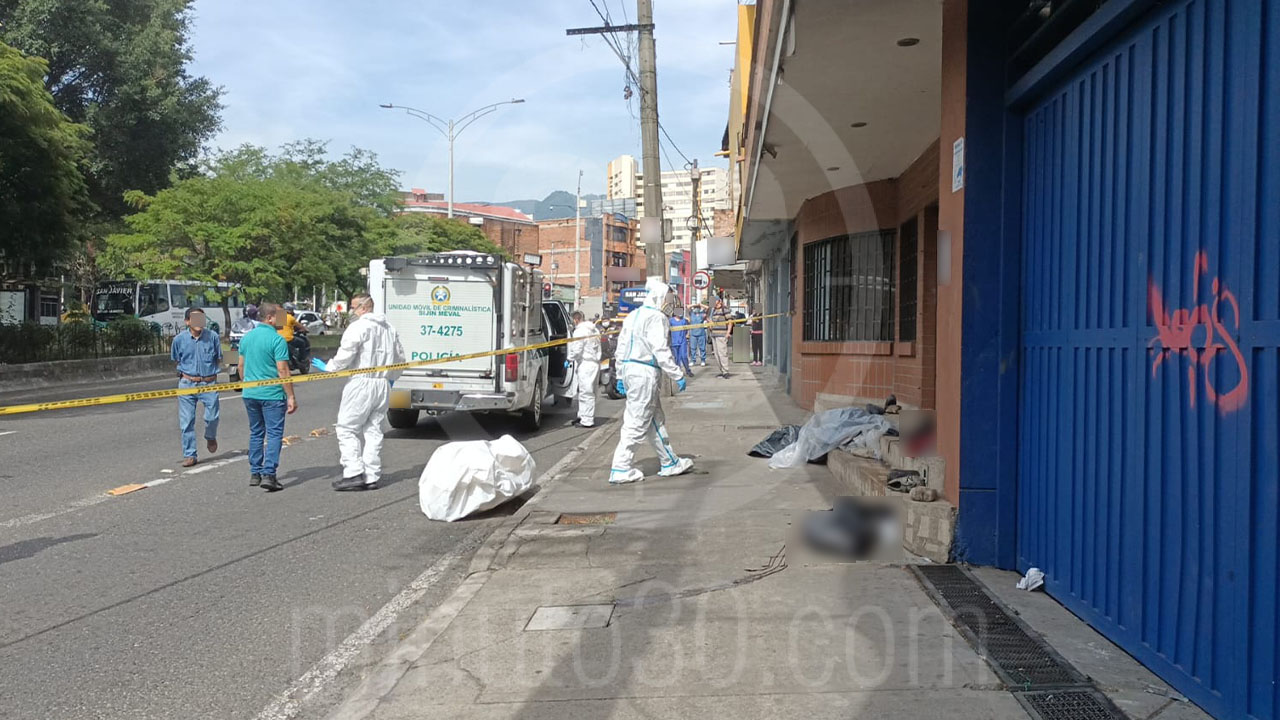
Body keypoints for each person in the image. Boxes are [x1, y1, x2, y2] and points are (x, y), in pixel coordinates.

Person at [608, 278, 694, 484]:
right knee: (637, 422)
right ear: (658, 297)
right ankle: (621, 467)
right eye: (667, 298)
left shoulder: (632, 316)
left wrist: (620, 375)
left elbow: (620, 349)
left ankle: (669, 461)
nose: (669, 302)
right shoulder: (657, 318)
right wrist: (676, 374)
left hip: (630, 370)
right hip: (644, 373)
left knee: (654, 419)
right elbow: (660, 349)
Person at [326, 293, 405, 491]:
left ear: (363, 307)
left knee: (347, 428)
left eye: (353, 307)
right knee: (373, 429)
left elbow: (346, 353)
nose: (351, 312)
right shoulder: (389, 328)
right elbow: (400, 357)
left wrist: (331, 367)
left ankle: (353, 472)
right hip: (382, 384)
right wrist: (392, 377)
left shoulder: (359, 327)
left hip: (361, 382)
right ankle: (372, 474)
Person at [237, 302, 297, 492]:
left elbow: (240, 366)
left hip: (250, 393)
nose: (283, 320)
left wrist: (247, 385)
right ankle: (269, 474)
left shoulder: (246, 338)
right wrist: (291, 396)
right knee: (274, 434)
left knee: (256, 432)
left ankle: (255, 472)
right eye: (279, 316)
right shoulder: (277, 340)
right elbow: (282, 369)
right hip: (272, 394)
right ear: (269, 318)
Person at [171, 308, 222, 467]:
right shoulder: (179, 339)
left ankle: (210, 435)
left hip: (208, 383)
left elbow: (219, 357)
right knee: (186, 421)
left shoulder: (212, 337)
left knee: (212, 416)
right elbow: (175, 359)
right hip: (187, 383)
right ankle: (190, 454)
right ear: (187, 322)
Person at [565, 310, 602, 428]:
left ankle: (587, 420)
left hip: (586, 364)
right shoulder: (594, 329)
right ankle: (582, 415)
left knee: (586, 393)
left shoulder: (580, 331)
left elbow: (577, 349)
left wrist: (569, 359)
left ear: (576, 319)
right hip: (594, 363)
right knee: (588, 392)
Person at [709, 297, 733, 378]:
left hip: (722, 335)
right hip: (714, 335)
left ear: (719, 301)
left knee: (722, 353)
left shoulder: (725, 310)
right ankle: (722, 371)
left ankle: (725, 371)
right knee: (716, 354)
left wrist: (728, 332)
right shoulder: (713, 311)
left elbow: (730, 322)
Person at [668, 306, 693, 376]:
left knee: (684, 356)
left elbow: (687, 329)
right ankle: (678, 371)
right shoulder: (671, 321)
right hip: (674, 341)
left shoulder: (684, 321)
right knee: (676, 358)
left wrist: (687, 335)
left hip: (682, 341)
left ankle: (688, 370)